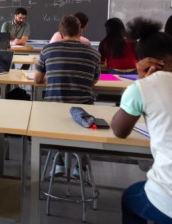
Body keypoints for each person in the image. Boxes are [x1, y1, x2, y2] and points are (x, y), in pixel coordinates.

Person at [111, 17, 172, 224]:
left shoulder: (142, 88)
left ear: (144, 61)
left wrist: (141, 82)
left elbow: (119, 131)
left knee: (130, 198)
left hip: (167, 197)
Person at [34, 15, 101, 176]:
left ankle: (58, 163)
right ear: (80, 32)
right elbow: (93, 81)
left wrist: (52, 76)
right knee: (85, 129)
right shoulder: (94, 54)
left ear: (61, 33)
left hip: (54, 107)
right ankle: (80, 165)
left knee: (50, 123)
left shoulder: (47, 50)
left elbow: (37, 79)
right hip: (83, 110)